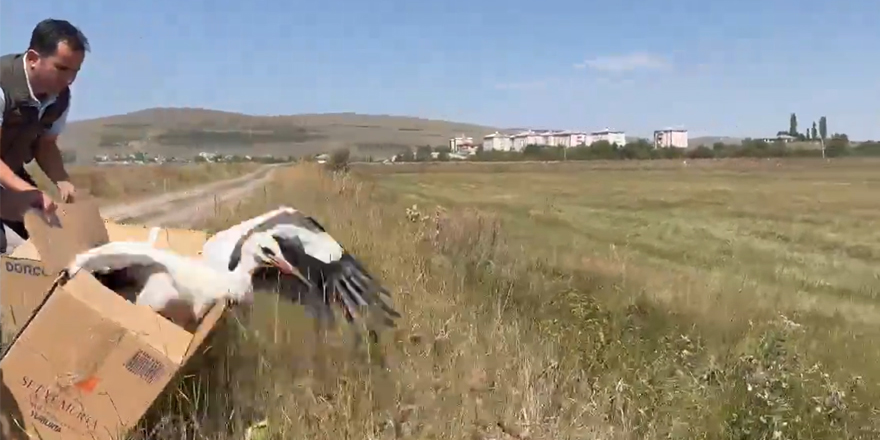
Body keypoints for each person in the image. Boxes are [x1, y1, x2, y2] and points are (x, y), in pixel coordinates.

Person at [0, 18, 88, 253]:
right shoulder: (2, 85)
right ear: (32, 59)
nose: (69, 80)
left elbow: (45, 145)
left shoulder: (59, 97)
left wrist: (63, 181)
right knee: (8, 251)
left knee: (51, 235)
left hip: (7, 171)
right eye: (61, 68)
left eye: (75, 71)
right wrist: (27, 192)